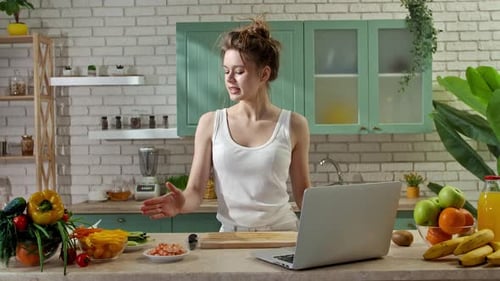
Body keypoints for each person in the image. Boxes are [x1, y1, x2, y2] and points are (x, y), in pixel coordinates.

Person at [141, 17, 311, 232]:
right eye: (226, 71)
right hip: (231, 236)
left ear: (264, 74)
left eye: (239, 71)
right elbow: (194, 191)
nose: (230, 79)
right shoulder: (210, 123)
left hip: (283, 233)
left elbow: (304, 194)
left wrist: (338, 215)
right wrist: (181, 203)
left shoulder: (294, 125)